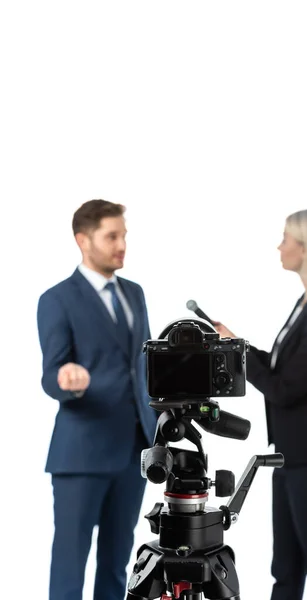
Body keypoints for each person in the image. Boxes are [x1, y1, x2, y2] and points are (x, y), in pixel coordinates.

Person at [213, 208, 307, 600]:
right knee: (286, 572)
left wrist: (239, 356)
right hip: (290, 457)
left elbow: (285, 388)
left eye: (287, 239)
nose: (280, 246)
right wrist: (237, 346)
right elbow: (280, 368)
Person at [37, 199, 157, 600]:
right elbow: (51, 374)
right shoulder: (57, 300)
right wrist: (66, 379)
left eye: (124, 235)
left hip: (134, 449)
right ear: (83, 240)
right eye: (112, 236)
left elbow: (140, 366)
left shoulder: (135, 294)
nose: (122, 244)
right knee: (70, 565)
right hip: (82, 452)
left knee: (117, 563)